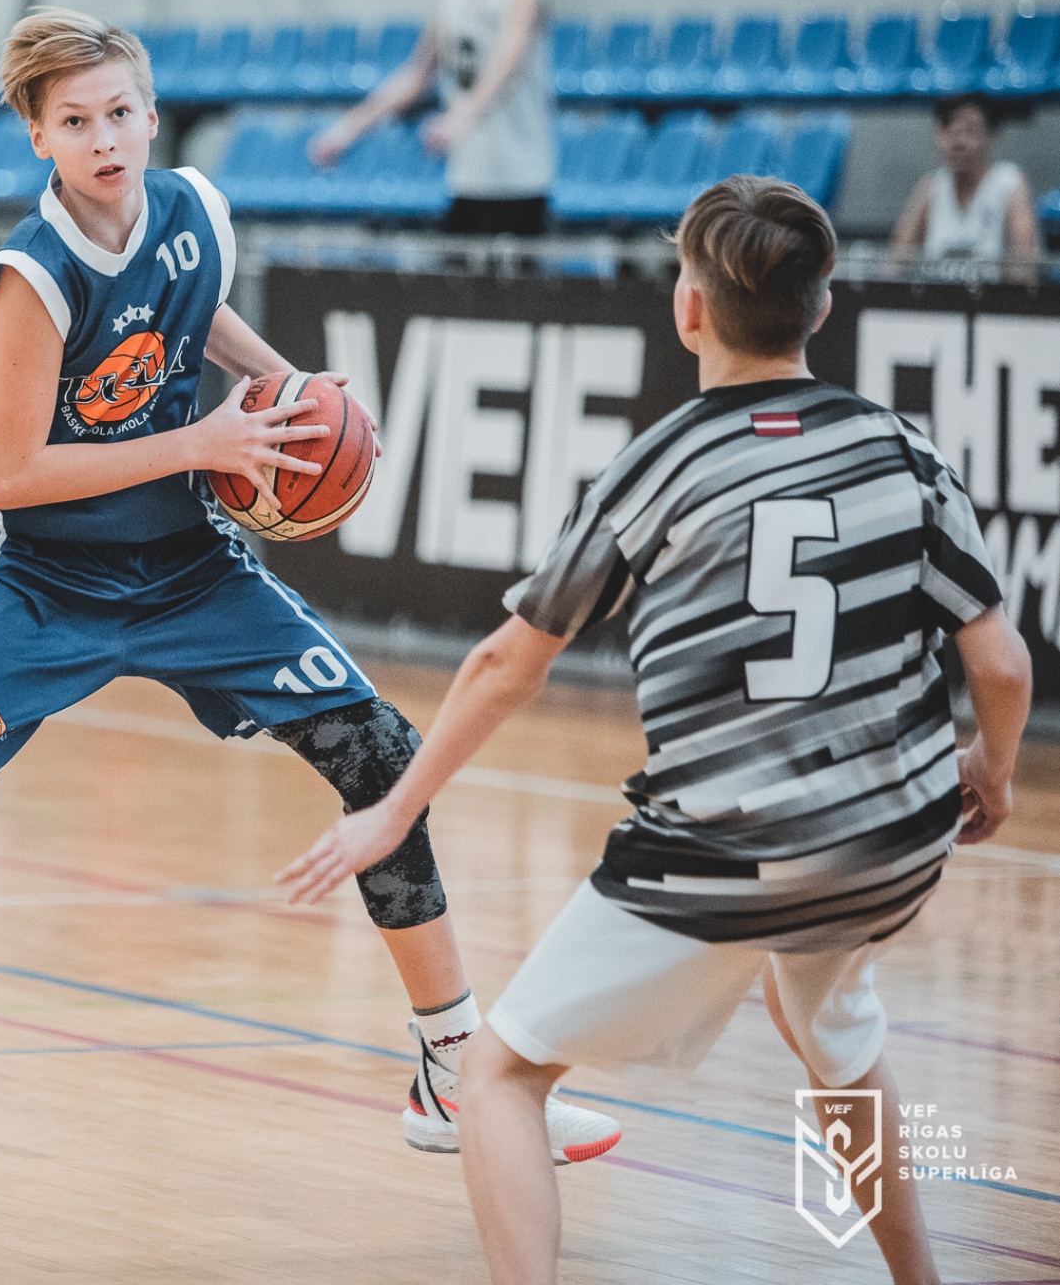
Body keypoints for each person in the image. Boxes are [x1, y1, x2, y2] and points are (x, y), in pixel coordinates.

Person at [0, 7, 619, 1229]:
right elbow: (14, 476)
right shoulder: (33, 276)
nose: (103, 138)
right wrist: (201, 440)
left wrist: (285, 395)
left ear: (153, 115)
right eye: (75, 122)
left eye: (119, 112)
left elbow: (196, 312)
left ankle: (449, 1066)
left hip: (178, 562)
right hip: (34, 578)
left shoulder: (194, 209)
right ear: (37, 138)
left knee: (379, 753)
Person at [278, 174, 1031, 1285]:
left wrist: (394, 811)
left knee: (493, 1077)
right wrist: (991, 773)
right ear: (822, 309)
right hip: (895, 842)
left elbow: (505, 663)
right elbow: (1001, 664)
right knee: (831, 1028)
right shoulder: (903, 449)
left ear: (687, 309)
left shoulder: (659, 465)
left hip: (728, 852)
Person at [309, 0, 554, 236]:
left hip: (519, 173)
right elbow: (417, 74)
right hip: (467, 173)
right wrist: (348, 129)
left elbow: (505, 67)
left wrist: (460, 118)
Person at [889, 93, 1038, 271]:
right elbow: (895, 263)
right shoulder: (930, 187)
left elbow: (1025, 267)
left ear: (993, 134)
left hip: (992, 289)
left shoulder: (1009, 184)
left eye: (970, 131)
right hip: (936, 289)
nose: (958, 143)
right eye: (949, 131)